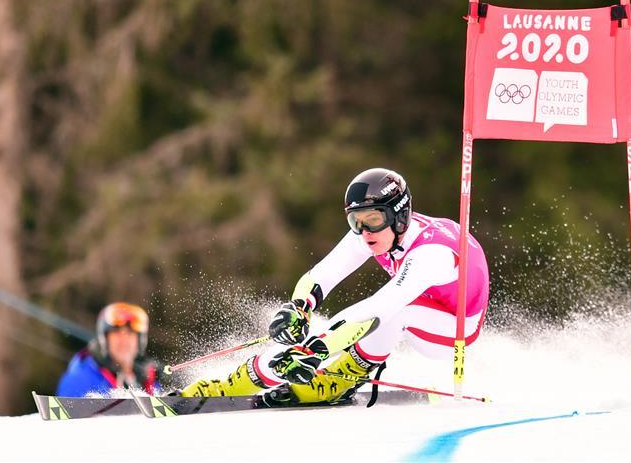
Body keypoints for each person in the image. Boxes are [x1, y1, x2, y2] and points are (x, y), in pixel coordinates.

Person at [180, 167, 489, 405]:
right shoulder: (378, 232)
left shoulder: (431, 255)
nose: (364, 231)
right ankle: (225, 385)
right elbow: (322, 274)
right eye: (356, 221)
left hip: (455, 330)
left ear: (399, 216)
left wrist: (317, 348)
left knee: (390, 314)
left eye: (373, 219)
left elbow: (380, 307)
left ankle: (341, 380)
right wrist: (299, 307)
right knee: (317, 334)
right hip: (416, 306)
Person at [57, 302, 161, 397]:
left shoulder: (148, 379)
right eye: (116, 333)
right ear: (105, 339)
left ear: (140, 341)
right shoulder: (80, 377)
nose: (124, 341)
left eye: (130, 334)